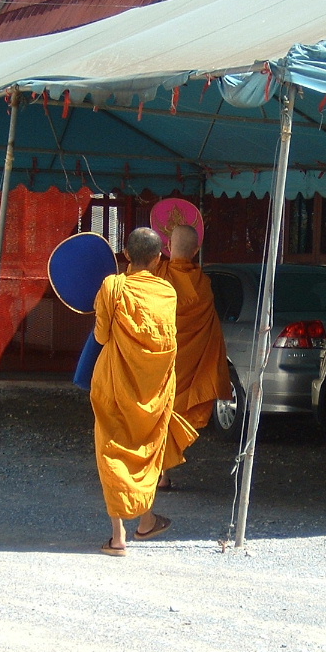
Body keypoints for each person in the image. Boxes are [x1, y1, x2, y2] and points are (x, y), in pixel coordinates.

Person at [90, 227, 197, 556]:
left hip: (116, 384)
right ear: (159, 257)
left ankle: (119, 536)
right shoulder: (167, 292)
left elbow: (101, 337)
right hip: (153, 389)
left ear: (125, 255)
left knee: (113, 451)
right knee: (145, 450)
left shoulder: (114, 287)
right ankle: (146, 520)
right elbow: (168, 342)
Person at [155, 223, 231, 488]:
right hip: (187, 366)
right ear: (197, 250)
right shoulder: (203, 284)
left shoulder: (157, 277)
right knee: (174, 412)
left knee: (153, 412)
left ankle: (146, 471)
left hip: (158, 360)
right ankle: (162, 474)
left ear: (167, 247)